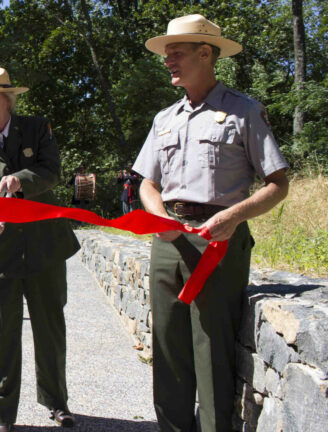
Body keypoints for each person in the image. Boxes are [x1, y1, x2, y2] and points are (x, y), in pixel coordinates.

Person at [133, 14, 289, 431]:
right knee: (168, 349)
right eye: (166, 54)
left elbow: (278, 184)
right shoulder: (165, 118)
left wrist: (235, 215)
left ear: (205, 53)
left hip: (218, 242)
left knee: (211, 351)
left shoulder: (244, 111)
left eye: (176, 53)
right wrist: (159, 217)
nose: (168, 60)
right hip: (168, 240)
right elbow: (147, 183)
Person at [0, 66, 79, 432]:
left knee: (50, 330)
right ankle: (0, 417)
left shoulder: (38, 128)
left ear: (8, 99)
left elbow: (51, 171)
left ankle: (57, 403)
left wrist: (21, 180)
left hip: (44, 249)